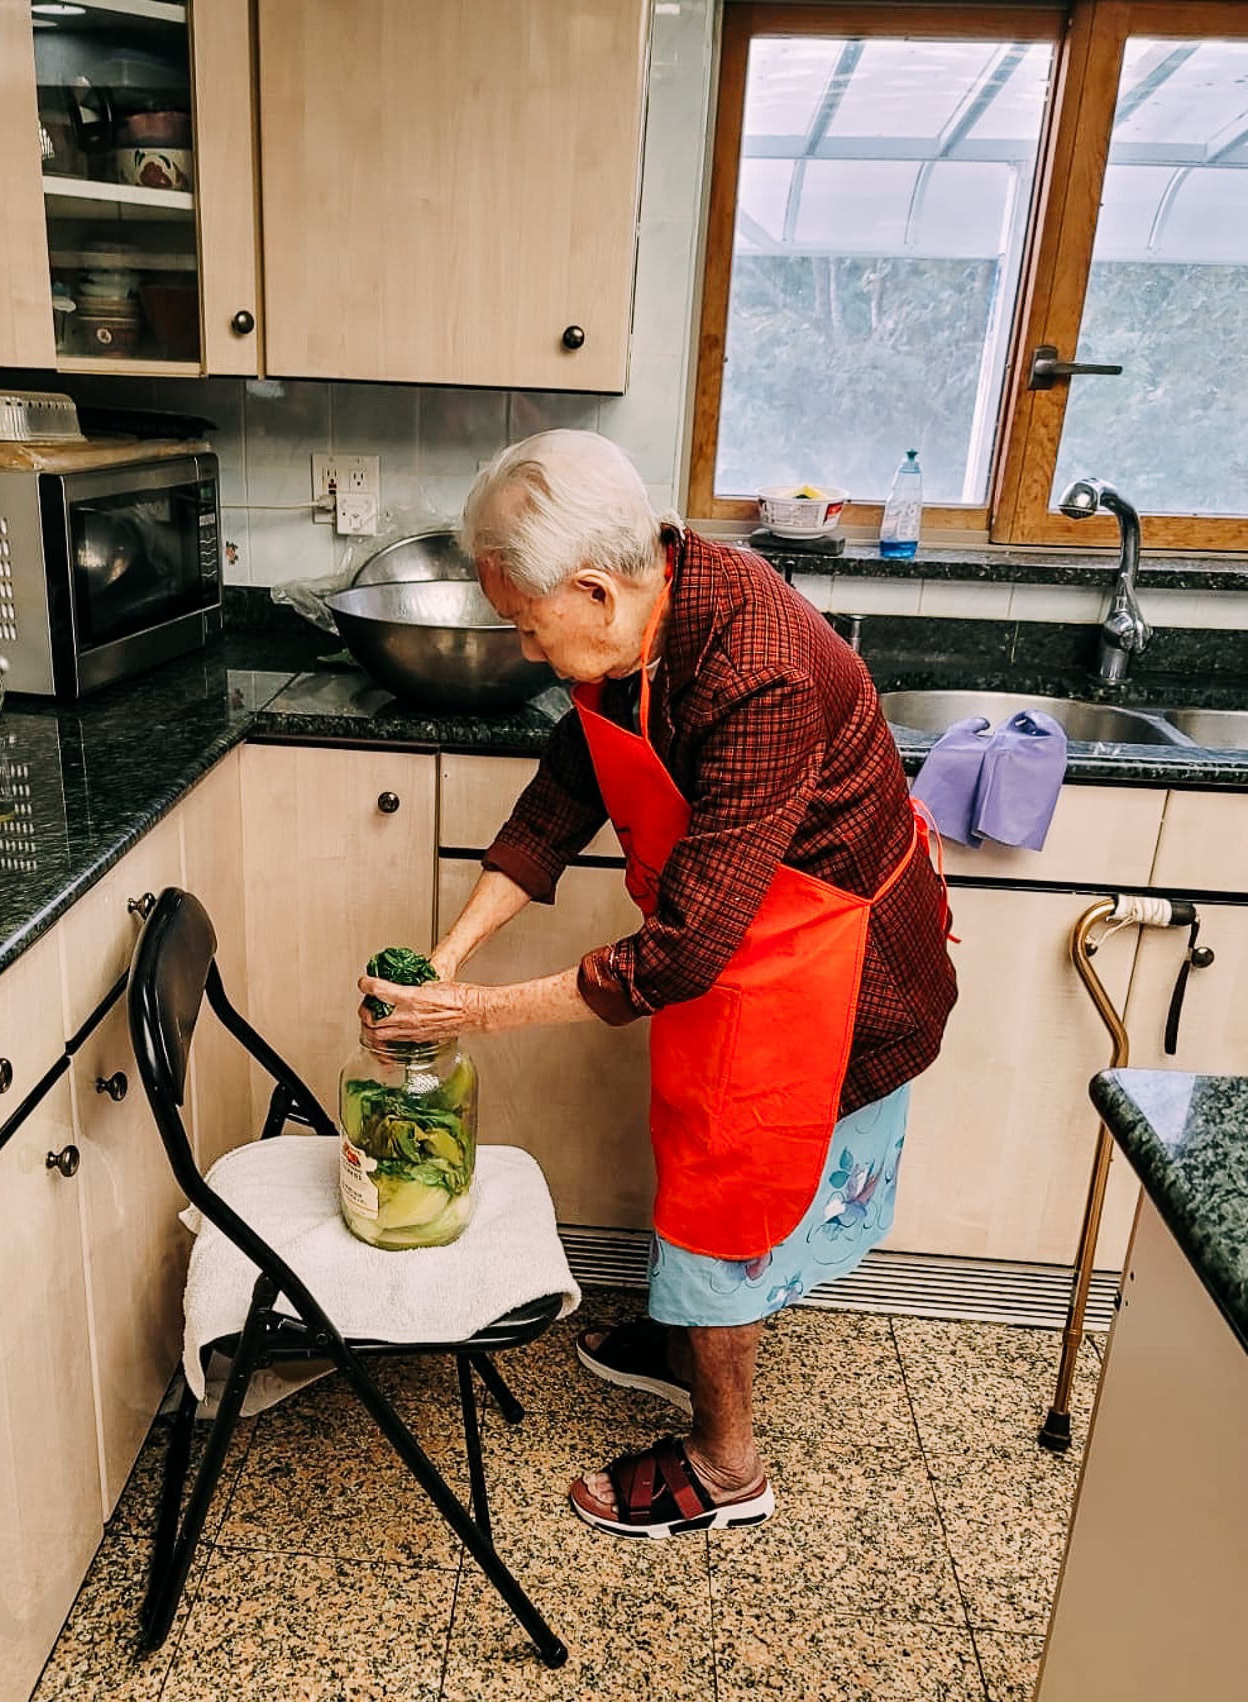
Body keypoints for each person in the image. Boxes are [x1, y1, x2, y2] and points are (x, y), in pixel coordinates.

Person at [359, 430, 957, 1540]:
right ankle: (692, 1340)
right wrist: (451, 956)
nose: (532, 655)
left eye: (532, 629)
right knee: (697, 1174)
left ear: (591, 588)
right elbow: (558, 800)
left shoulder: (756, 665)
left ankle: (727, 1466)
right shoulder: (641, 619)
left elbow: (679, 953)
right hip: (742, 951)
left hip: (827, 978)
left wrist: (473, 1015)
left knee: (727, 1200)